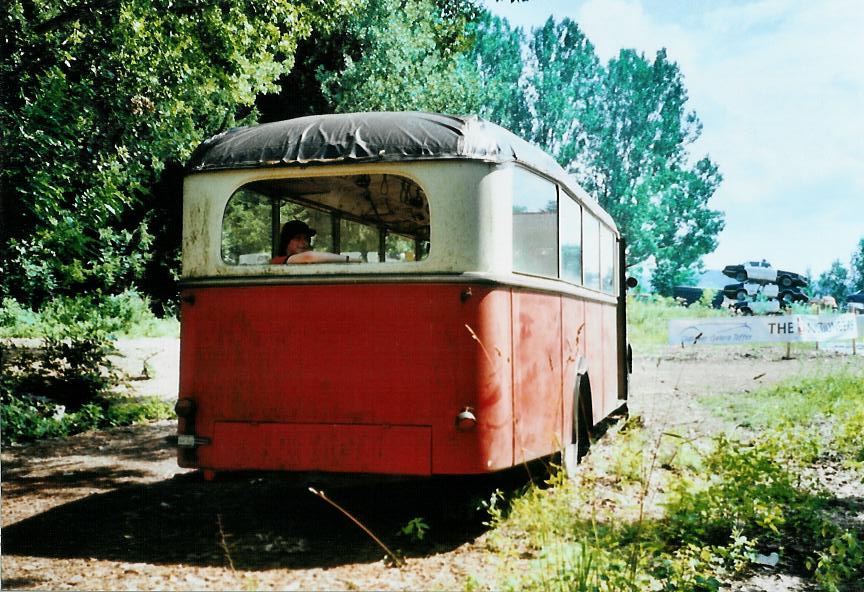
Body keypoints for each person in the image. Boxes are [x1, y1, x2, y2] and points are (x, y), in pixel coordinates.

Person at [270, 220, 359, 264]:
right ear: (286, 241)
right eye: (298, 238)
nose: (304, 242)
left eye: (306, 238)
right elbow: (309, 256)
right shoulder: (279, 261)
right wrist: (351, 260)